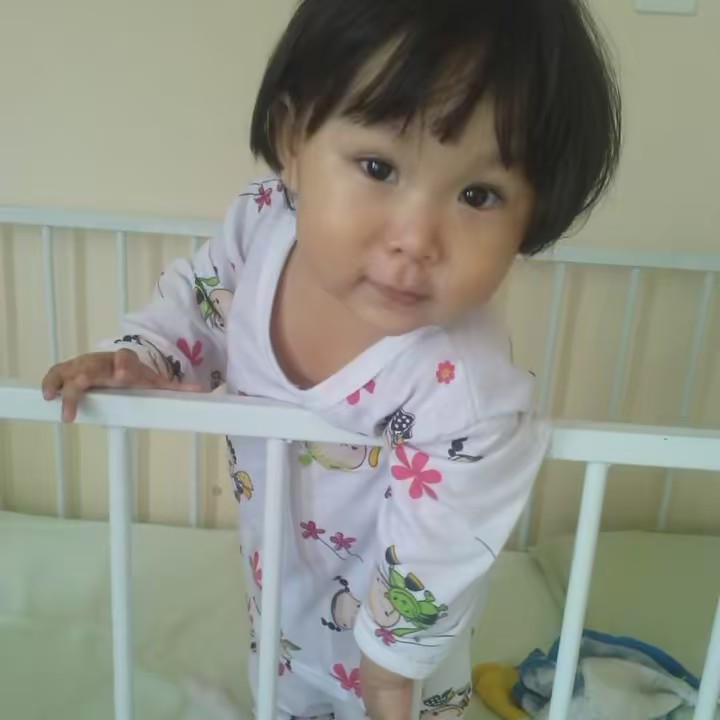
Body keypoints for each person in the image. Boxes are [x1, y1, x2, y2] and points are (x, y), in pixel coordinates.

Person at [41, 1, 622, 718]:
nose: (416, 238)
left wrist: (391, 672)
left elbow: (442, 548)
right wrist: (138, 358)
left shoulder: (463, 381)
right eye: (379, 166)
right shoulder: (262, 228)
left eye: (479, 195)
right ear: (293, 142)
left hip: (402, 657)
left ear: (532, 214)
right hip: (281, 608)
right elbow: (197, 305)